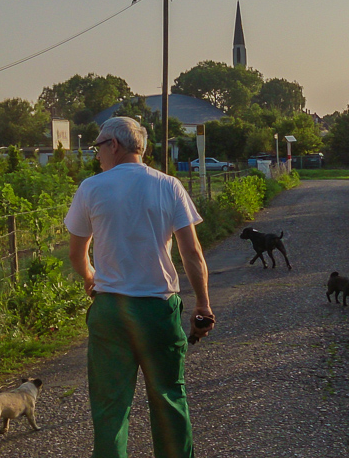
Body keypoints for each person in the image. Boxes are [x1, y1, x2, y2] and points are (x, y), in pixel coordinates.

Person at [65, 116, 214, 458]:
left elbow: (76, 252)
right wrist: (203, 304)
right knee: (168, 398)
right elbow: (192, 252)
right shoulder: (169, 186)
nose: (97, 154)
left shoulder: (91, 188)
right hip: (158, 309)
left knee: (110, 407)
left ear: (114, 145)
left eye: (99, 147)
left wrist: (90, 278)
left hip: (111, 311)